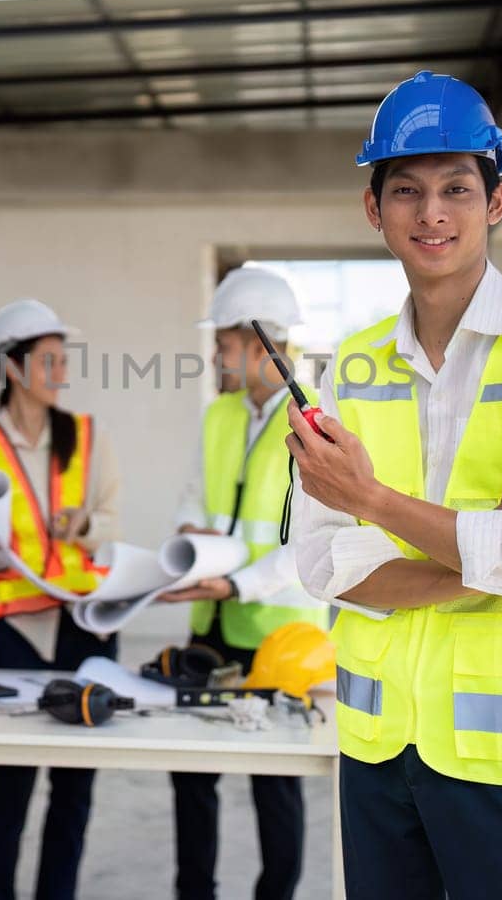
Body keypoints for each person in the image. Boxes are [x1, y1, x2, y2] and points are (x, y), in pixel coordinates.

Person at [285, 71, 502, 899]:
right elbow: (325, 565)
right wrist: (477, 551)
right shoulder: (349, 367)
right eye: (406, 189)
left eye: (455, 189)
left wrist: (377, 504)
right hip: (375, 749)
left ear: (495, 202)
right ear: (375, 210)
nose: (431, 212)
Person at [158, 267, 327, 900]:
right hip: (211, 624)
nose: (214, 355)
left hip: (279, 635)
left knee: (273, 782)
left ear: (261, 345)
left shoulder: (313, 422)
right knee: (192, 772)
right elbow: (195, 494)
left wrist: (234, 586)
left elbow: (310, 543)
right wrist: (187, 535)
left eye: (224, 343)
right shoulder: (220, 415)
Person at [0, 299, 120, 900]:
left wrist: (85, 525)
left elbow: (111, 518)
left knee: (75, 786)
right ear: (13, 368)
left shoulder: (88, 437)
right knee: (12, 777)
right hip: (20, 627)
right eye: (49, 361)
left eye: (63, 360)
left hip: (87, 623)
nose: (61, 372)